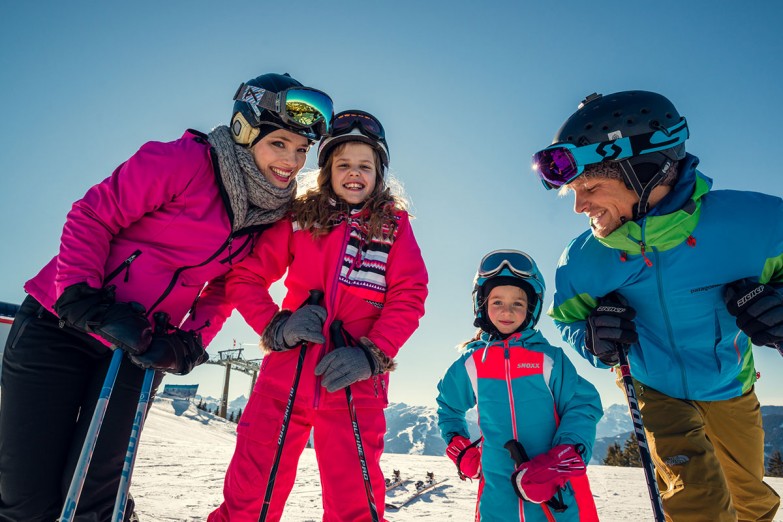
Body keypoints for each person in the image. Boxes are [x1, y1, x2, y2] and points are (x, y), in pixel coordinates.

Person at [0, 72, 333, 521]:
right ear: (244, 130)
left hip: (139, 347)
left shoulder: (271, 212)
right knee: (26, 501)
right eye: (280, 144)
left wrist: (191, 338)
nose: (291, 161)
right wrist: (82, 296)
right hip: (60, 325)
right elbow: (93, 214)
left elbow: (225, 286)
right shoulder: (184, 162)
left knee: (93, 498)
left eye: (301, 150)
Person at [533, 90, 783, 521]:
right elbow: (569, 319)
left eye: (590, 187)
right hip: (654, 389)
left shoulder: (757, 225)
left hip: (730, 386)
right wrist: (594, 339)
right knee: (697, 503)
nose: (579, 207)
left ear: (646, 171)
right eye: (573, 192)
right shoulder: (583, 262)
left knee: (752, 502)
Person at [208, 109, 428, 522]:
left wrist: (372, 355)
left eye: (365, 165)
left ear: (379, 173)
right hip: (285, 376)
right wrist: (276, 326)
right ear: (327, 169)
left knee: (355, 503)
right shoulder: (300, 218)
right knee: (251, 492)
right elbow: (246, 276)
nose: (354, 173)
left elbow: (410, 293)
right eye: (343, 164)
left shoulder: (394, 226)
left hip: (353, 380)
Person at [435, 249, 602, 521]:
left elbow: (583, 405)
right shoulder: (472, 364)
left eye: (518, 304)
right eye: (498, 301)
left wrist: (561, 458)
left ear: (531, 309)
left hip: (553, 497)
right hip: (496, 503)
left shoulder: (549, 359)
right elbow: (448, 407)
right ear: (482, 305)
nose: (507, 311)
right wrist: (460, 447)